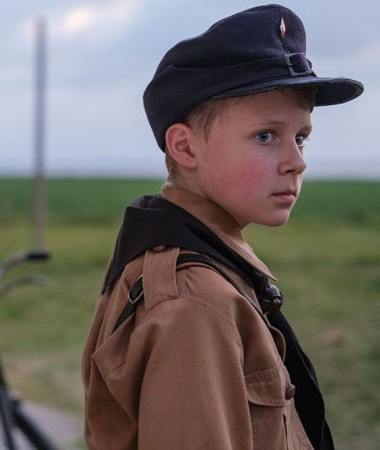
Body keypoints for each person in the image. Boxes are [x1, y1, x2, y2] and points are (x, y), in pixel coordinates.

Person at [81, 4, 363, 449]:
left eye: (301, 136)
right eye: (266, 136)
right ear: (185, 146)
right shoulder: (193, 300)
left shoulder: (199, 261)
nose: (296, 161)